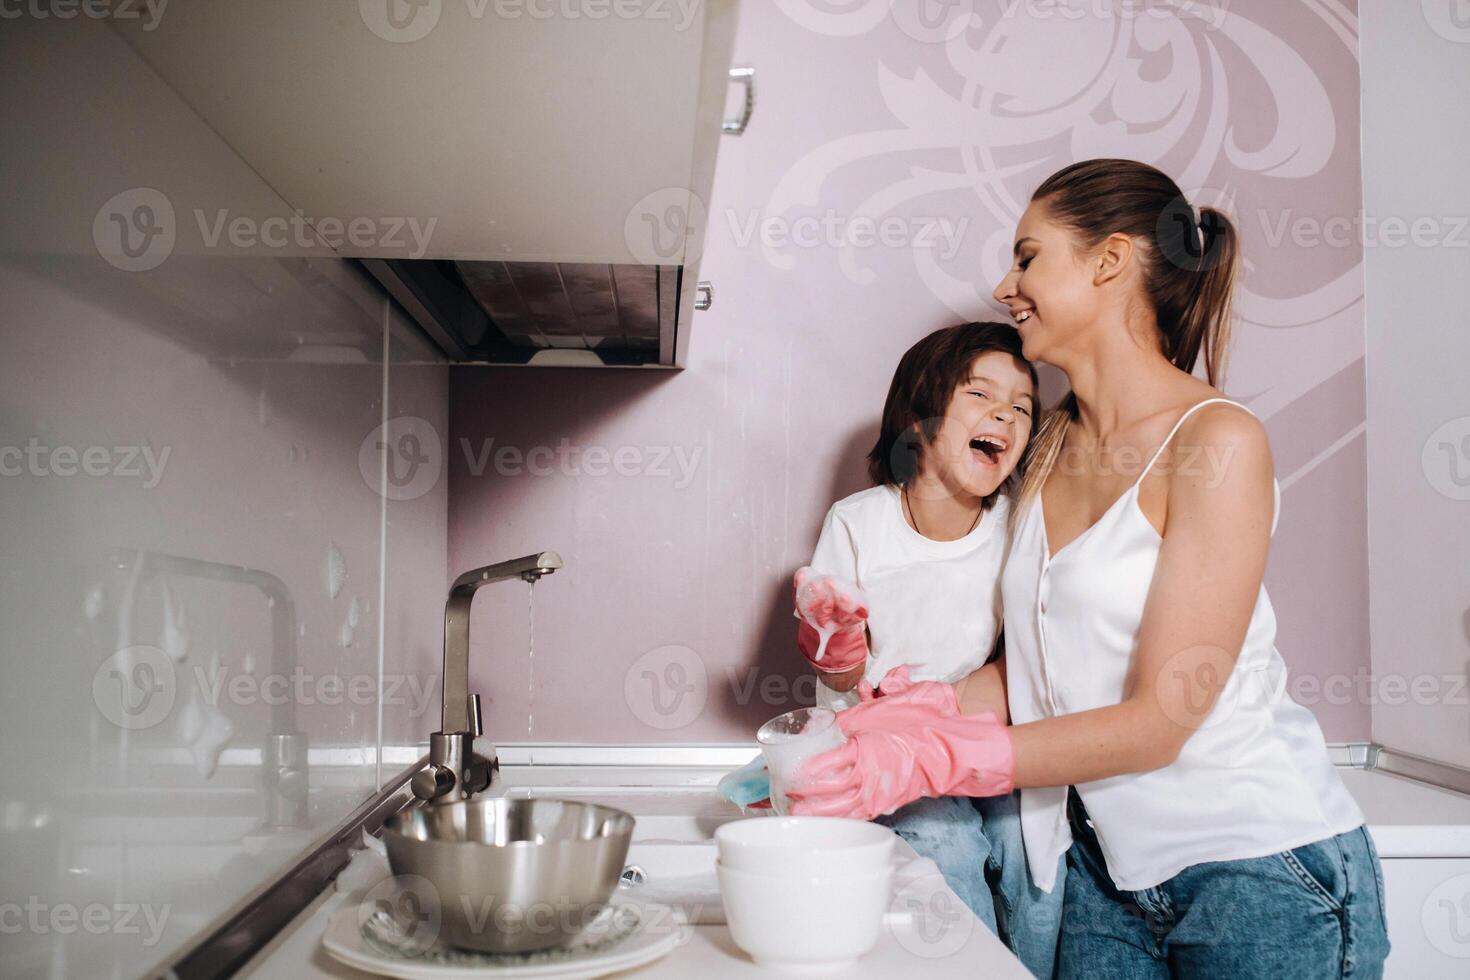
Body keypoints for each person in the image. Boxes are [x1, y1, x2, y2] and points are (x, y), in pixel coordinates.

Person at [789, 159, 1389, 979]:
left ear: (1108, 262)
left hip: (1260, 875)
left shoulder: (1217, 443)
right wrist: (895, 719)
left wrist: (943, 754)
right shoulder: (1044, 453)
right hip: (1105, 879)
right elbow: (1042, 666)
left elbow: (1158, 720)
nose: (1006, 287)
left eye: (1027, 256)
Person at [792, 321, 1065, 977]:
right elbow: (844, 671)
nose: (1004, 411)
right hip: (891, 756)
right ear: (918, 419)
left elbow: (1033, 649)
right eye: (979, 393)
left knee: (1035, 856)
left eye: (1022, 406)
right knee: (946, 847)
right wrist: (834, 641)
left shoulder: (1019, 524)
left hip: (981, 738)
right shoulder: (858, 523)